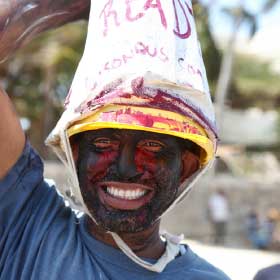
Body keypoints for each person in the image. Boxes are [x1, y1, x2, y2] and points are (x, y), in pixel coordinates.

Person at [0, 1, 230, 279]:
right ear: (75, 154)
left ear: (187, 167)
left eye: (152, 146)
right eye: (104, 144)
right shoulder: (27, 224)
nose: (125, 168)